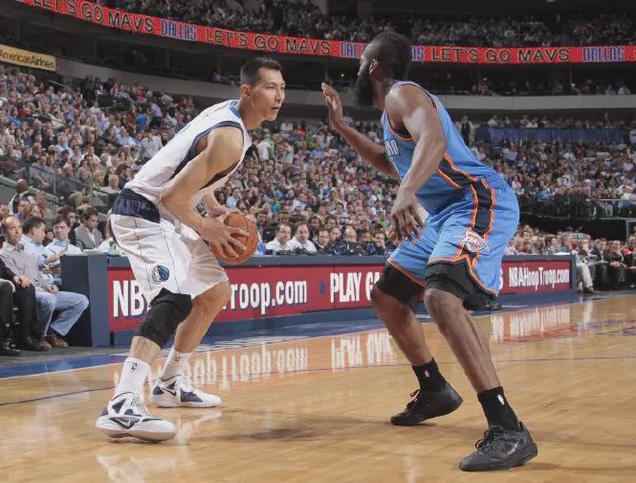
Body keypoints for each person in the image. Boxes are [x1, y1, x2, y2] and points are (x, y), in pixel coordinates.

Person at [321, 32, 536, 471]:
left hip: (477, 199)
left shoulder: (403, 94)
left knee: (441, 296)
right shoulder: (391, 114)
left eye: (361, 63)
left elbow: (433, 141)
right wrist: (342, 128)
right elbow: (389, 162)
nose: (357, 71)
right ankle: (434, 389)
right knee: (387, 294)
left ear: (374, 66)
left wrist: (406, 193)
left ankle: (508, 429)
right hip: (443, 215)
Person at [96, 57, 285, 442]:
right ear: (247, 91)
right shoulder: (230, 138)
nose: (279, 96)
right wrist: (206, 226)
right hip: (145, 211)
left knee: (215, 292)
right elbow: (171, 195)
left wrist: (212, 206)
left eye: (282, 88)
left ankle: (170, 383)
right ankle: (123, 403)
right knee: (174, 298)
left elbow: (193, 173)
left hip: (171, 213)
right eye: (270, 87)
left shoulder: (231, 117)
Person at [0, 217, 89, 349]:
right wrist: (42, 288)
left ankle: (53, 332)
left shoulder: (26, 251)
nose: (17, 232)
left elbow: (37, 275)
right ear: (4, 232)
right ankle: (37, 336)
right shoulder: (2, 254)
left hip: (42, 290)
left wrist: (48, 286)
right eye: (13, 228)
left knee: (81, 301)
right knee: (49, 300)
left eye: (19, 228)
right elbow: (18, 280)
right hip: (27, 293)